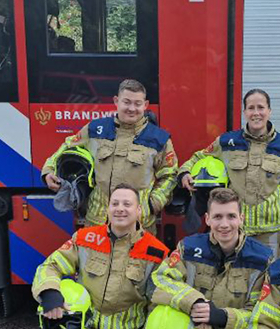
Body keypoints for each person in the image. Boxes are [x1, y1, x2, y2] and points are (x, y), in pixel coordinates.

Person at [32, 184, 170, 329]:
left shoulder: (156, 253)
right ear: (107, 209)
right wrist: (49, 294)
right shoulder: (86, 238)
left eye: (127, 204)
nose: (120, 209)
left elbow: (157, 312)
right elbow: (50, 266)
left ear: (139, 212)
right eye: (115, 203)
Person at [149, 188, 272, 329]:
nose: (224, 224)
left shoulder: (262, 259)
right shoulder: (189, 248)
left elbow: (261, 316)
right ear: (207, 219)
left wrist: (222, 317)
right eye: (217, 217)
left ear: (241, 219)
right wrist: (193, 301)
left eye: (231, 216)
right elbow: (162, 281)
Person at [178, 89, 280, 257]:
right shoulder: (227, 142)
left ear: (269, 111)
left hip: (271, 231)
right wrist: (185, 173)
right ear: (244, 112)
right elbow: (198, 157)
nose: (256, 113)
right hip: (234, 229)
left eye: (261, 107)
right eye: (251, 108)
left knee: (267, 278)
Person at [42, 79, 178, 234]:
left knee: (138, 259)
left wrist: (153, 204)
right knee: (93, 259)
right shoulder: (95, 129)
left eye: (137, 103)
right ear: (116, 101)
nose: (132, 108)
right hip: (97, 221)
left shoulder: (158, 139)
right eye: (126, 102)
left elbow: (170, 174)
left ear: (145, 105)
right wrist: (49, 170)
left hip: (140, 225)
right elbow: (66, 147)